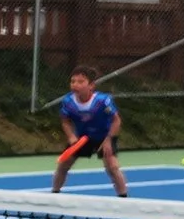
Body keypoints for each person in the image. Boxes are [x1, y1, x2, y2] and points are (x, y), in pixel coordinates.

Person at [50, 68, 129, 197]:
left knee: (112, 167)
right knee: (63, 166)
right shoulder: (68, 101)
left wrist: (108, 140)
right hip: (81, 138)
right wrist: (71, 136)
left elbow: (116, 121)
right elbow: (65, 121)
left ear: (91, 85)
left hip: (104, 136)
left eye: (81, 82)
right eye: (73, 81)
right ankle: (54, 194)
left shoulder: (103, 101)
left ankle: (124, 198)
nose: (75, 84)